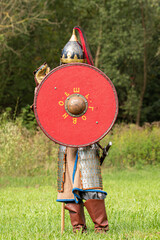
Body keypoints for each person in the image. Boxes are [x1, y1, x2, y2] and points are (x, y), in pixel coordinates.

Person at [33, 26, 109, 233]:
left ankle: (101, 228)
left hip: (87, 140)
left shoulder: (90, 82)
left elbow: (103, 106)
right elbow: (44, 110)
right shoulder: (57, 83)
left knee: (90, 185)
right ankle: (78, 228)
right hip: (65, 141)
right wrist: (41, 88)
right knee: (67, 186)